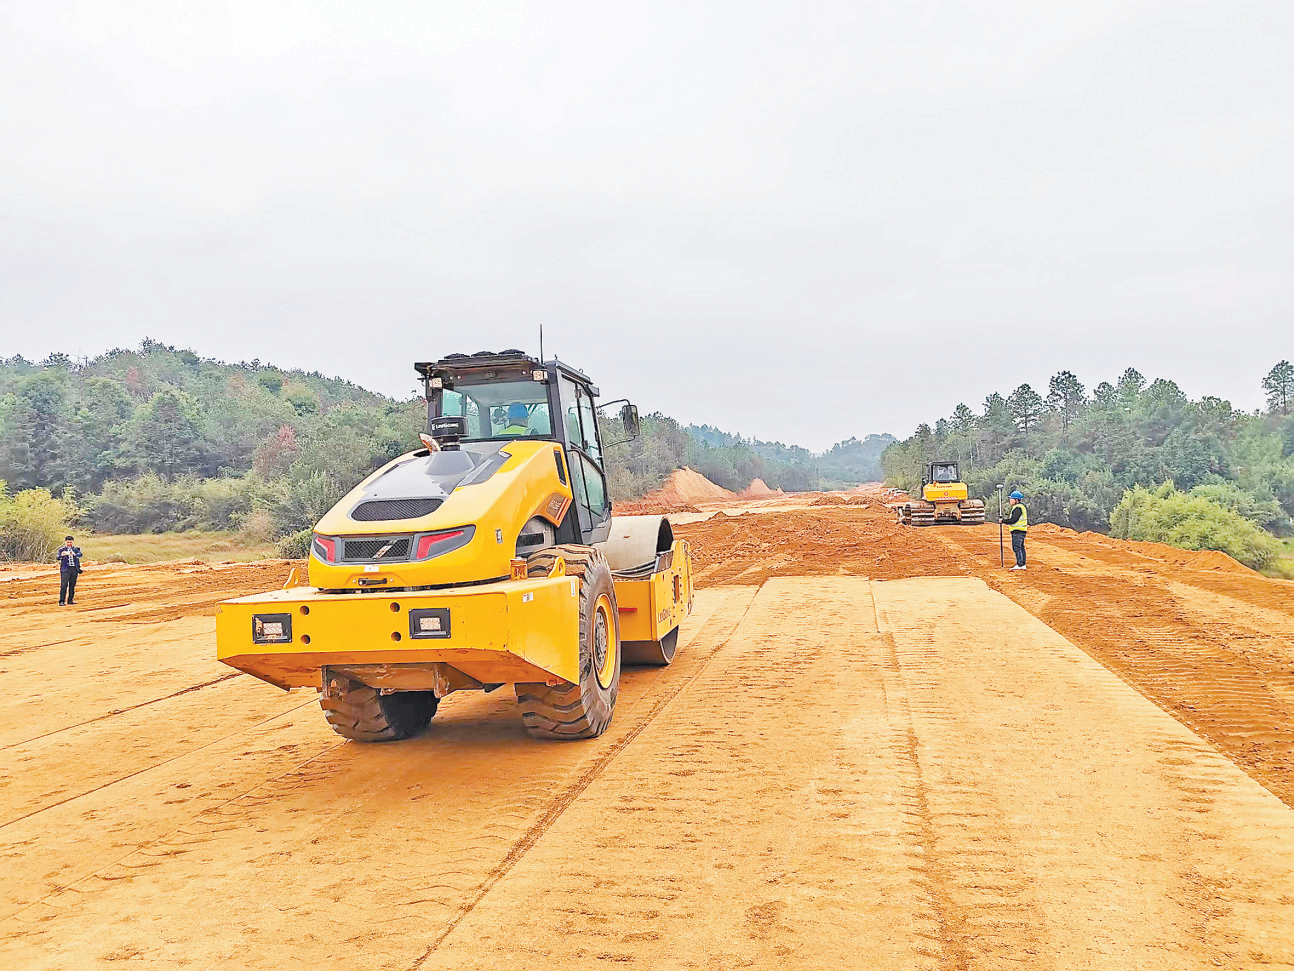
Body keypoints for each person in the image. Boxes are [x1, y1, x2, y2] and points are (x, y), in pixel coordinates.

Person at [1003, 491, 1028, 570]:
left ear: (1016, 500)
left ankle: (1020, 564)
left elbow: (1014, 520)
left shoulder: (1018, 508)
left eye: (1011, 499)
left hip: (1018, 531)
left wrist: (1003, 521)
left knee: (1017, 547)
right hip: (1021, 530)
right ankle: (1022, 563)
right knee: (1021, 547)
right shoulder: (1020, 507)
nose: (1010, 500)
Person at [57, 535, 83, 605]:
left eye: (70, 542)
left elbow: (80, 554)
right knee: (64, 585)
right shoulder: (61, 550)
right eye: (68, 542)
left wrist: (74, 554)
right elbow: (58, 557)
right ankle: (62, 601)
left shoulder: (76, 549)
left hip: (74, 569)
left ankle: (70, 600)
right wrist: (62, 555)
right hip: (65, 569)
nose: (69, 544)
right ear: (65, 542)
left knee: (72, 585)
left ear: (73, 542)